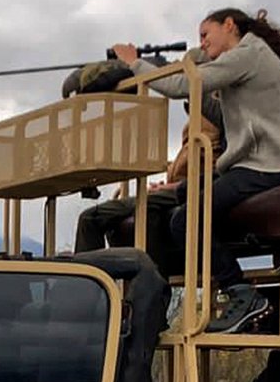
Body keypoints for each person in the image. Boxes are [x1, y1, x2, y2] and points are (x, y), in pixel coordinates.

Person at [111, 7, 280, 334]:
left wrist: (135, 62)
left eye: (205, 35)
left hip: (279, 164)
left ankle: (242, 293)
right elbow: (203, 92)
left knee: (187, 218)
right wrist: (190, 59)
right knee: (183, 201)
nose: (202, 43)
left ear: (229, 25)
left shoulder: (248, 54)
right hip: (261, 162)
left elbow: (184, 85)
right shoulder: (244, 59)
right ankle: (161, 300)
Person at [74, 112, 223, 278]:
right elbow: (190, 164)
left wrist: (171, 187)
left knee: (95, 217)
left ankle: (151, 280)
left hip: (194, 189)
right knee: (93, 219)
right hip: (178, 188)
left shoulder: (219, 113)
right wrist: (168, 180)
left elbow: (218, 171)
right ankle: (95, 283)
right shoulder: (199, 118)